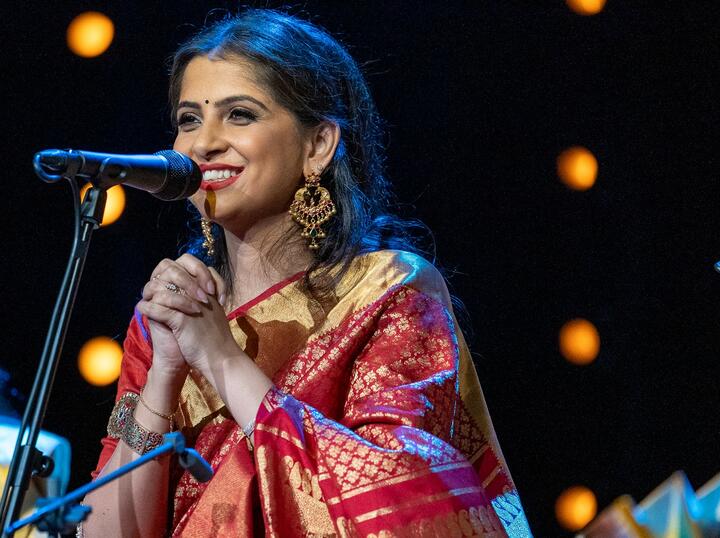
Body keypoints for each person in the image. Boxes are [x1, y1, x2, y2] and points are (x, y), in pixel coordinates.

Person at [81, 9, 531, 537]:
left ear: (318, 145)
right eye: (189, 119)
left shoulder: (387, 292)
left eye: (240, 114)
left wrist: (223, 358)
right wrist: (163, 377)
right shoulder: (167, 317)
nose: (203, 144)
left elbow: (401, 504)